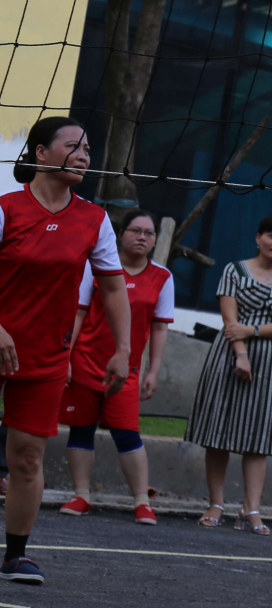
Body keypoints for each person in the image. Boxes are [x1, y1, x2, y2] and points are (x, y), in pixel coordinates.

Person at [0, 117, 129, 585]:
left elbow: (112, 289)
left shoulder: (94, 219)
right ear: (41, 153)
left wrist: (123, 349)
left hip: (46, 356)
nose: (83, 156)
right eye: (73, 146)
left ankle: (16, 556)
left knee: (27, 457)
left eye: (88, 149)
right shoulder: (6, 209)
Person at [184, 214, 272, 535]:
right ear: (258, 238)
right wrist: (241, 353)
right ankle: (216, 504)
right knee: (218, 431)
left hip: (269, 359)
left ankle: (252, 508)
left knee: (258, 436)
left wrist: (252, 331)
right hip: (228, 354)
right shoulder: (234, 270)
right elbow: (229, 319)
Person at [57, 209, 174, 525]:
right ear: (120, 235)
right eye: (135, 231)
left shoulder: (163, 277)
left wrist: (153, 370)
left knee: (127, 433)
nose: (142, 237)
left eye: (148, 233)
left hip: (126, 371)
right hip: (85, 361)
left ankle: (141, 502)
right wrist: (66, 358)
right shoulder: (96, 268)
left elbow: (160, 328)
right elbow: (79, 313)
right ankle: (81, 495)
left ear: (155, 240)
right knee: (81, 428)